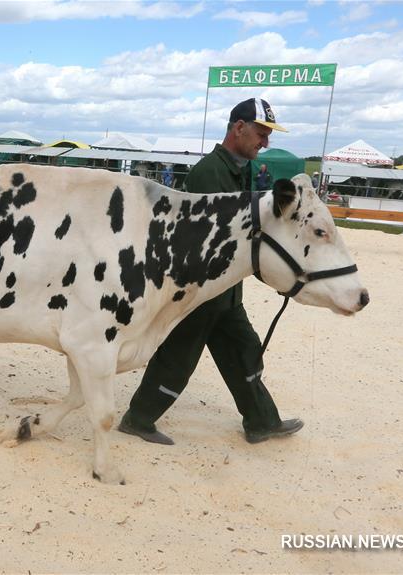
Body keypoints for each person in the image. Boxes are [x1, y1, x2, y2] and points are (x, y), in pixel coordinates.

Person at [119, 98, 304, 445]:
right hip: (201, 288)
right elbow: (215, 239)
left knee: (243, 350)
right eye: (261, 134)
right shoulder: (209, 173)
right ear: (239, 128)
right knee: (178, 357)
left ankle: (262, 421)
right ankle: (138, 419)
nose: (265, 143)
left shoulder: (244, 168)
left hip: (227, 289)